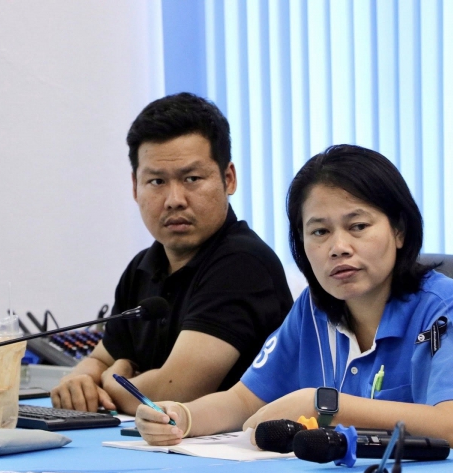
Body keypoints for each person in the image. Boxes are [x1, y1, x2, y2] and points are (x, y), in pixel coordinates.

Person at [135, 144, 453, 459]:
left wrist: (323, 404)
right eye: (319, 231)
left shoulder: (445, 310)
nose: (338, 247)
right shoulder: (313, 310)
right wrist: (180, 416)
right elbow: (243, 401)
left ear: (399, 230)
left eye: (358, 226)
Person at [51, 93, 294, 414]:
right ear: (135, 187)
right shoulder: (142, 267)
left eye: (192, 179)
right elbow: (102, 359)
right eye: (157, 181)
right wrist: (80, 378)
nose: (174, 199)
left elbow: (176, 391)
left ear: (228, 179)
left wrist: (112, 383)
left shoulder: (243, 262)